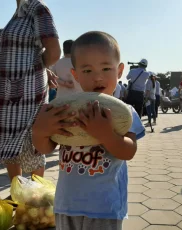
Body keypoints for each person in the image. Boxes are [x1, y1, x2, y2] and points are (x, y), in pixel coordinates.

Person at [32, 31, 145, 230]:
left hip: (104, 207)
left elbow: (128, 151)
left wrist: (106, 134)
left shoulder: (125, 112)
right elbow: (45, 148)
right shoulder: (66, 110)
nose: (97, 77)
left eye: (106, 68)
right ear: (75, 75)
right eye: (87, 71)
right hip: (66, 205)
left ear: (119, 71)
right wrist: (40, 131)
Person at [0, 0, 61, 181]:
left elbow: (54, 52)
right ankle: (17, 190)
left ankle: (36, 196)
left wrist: (38, 69)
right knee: (10, 144)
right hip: (7, 93)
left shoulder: (38, 9)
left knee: (30, 142)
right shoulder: (19, 12)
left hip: (27, 91)